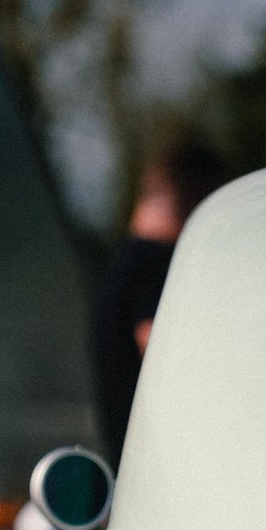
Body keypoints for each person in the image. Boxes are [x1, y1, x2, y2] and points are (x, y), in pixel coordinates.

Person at [91, 136, 229, 460]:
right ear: (193, 195)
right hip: (160, 459)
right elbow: (158, 349)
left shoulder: (122, 262)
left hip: (126, 457)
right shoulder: (160, 262)